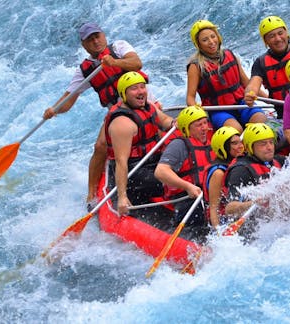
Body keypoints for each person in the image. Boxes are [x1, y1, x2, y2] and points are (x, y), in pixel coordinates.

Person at [42, 22, 153, 209]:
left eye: (97, 36)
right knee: (100, 145)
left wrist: (114, 62)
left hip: (144, 101)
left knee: (159, 131)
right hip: (118, 110)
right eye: (90, 40)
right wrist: (53, 110)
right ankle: (91, 195)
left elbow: (136, 63)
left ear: (103, 35)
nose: (95, 41)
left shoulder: (119, 47)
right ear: (84, 45)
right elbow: (68, 100)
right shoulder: (85, 70)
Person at [104, 72, 174, 218]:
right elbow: (121, 162)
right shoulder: (122, 123)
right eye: (134, 88)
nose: (141, 91)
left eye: (142, 87)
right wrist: (122, 196)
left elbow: (166, 121)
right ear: (123, 94)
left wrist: (176, 123)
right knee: (171, 181)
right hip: (134, 170)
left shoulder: (148, 107)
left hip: (153, 160)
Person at [186, 20, 266, 132]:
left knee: (260, 119)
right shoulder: (195, 66)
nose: (211, 42)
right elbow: (190, 97)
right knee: (235, 130)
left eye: (213, 36)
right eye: (205, 40)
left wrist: (268, 99)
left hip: (241, 103)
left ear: (218, 37)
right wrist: (198, 115)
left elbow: (247, 83)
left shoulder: (230, 54)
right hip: (218, 110)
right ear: (198, 44)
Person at [154, 105, 215, 234]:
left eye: (205, 123)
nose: (205, 128)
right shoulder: (179, 145)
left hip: (208, 197)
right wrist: (188, 186)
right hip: (187, 198)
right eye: (199, 125)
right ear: (187, 129)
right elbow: (161, 171)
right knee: (197, 217)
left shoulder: (211, 143)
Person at [224, 123, 285, 239]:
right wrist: (254, 203)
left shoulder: (277, 161)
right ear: (250, 147)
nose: (269, 147)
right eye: (263, 144)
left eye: (271, 142)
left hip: (276, 225)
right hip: (253, 232)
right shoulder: (241, 170)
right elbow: (229, 209)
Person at [203, 126, 245, 228]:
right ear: (223, 147)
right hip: (223, 221)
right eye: (234, 143)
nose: (240, 146)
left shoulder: (239, 164)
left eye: (240, 142)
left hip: (236, 214)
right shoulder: (218, 173)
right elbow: (214, 208)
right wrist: (218, 233)